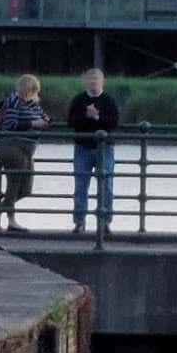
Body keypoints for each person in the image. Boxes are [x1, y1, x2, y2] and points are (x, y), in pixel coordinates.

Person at [0, 73, 51, 233]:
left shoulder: (34, 103)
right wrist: (33, 123)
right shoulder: (13, 101)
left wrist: (46, 122)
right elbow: (10, 123)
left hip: (28, 149)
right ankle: (11, 221)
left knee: (26, 189)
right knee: (14, 184)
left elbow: (43, 117)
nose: (33, 95)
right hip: (11, 146)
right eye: (31, 91)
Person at [68, 67, 120, 235]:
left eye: (96, 80)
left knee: (106, 186)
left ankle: (105, 221)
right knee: (81, 185)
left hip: (104, 148)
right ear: (86, 82)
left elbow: (114, 123)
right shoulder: (79, 100)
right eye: (90, 80)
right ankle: (79, 221)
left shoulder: (109, 101)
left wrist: (97, 117)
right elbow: (71, 121)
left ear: (102, 81)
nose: (93, 83)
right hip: (83, 146)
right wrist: (86, 116)